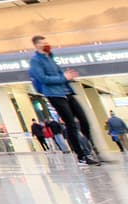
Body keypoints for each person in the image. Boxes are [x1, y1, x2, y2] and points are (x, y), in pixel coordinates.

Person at [28, 35, 101, 165]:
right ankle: (81, 156)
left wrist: (67, 77)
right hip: (54, 95)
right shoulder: (35, 61)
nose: (46, 44)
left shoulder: (50, 57)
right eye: (43, 42)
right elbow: (43, 79)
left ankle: (92, 149)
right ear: (37, 44)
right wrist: (63, 78)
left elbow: (60, 75)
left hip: (66, 92)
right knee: (71, 124)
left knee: (84, 120)